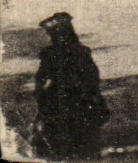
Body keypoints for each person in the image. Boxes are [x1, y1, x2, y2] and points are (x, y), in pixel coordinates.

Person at [33, 12, 108, 158]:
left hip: (62, 100)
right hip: (78, 99)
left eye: (53, 34)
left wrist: (40, 93)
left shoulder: (51, 54)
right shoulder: (81, 52)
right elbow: (93, 76)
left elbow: (40, 78)